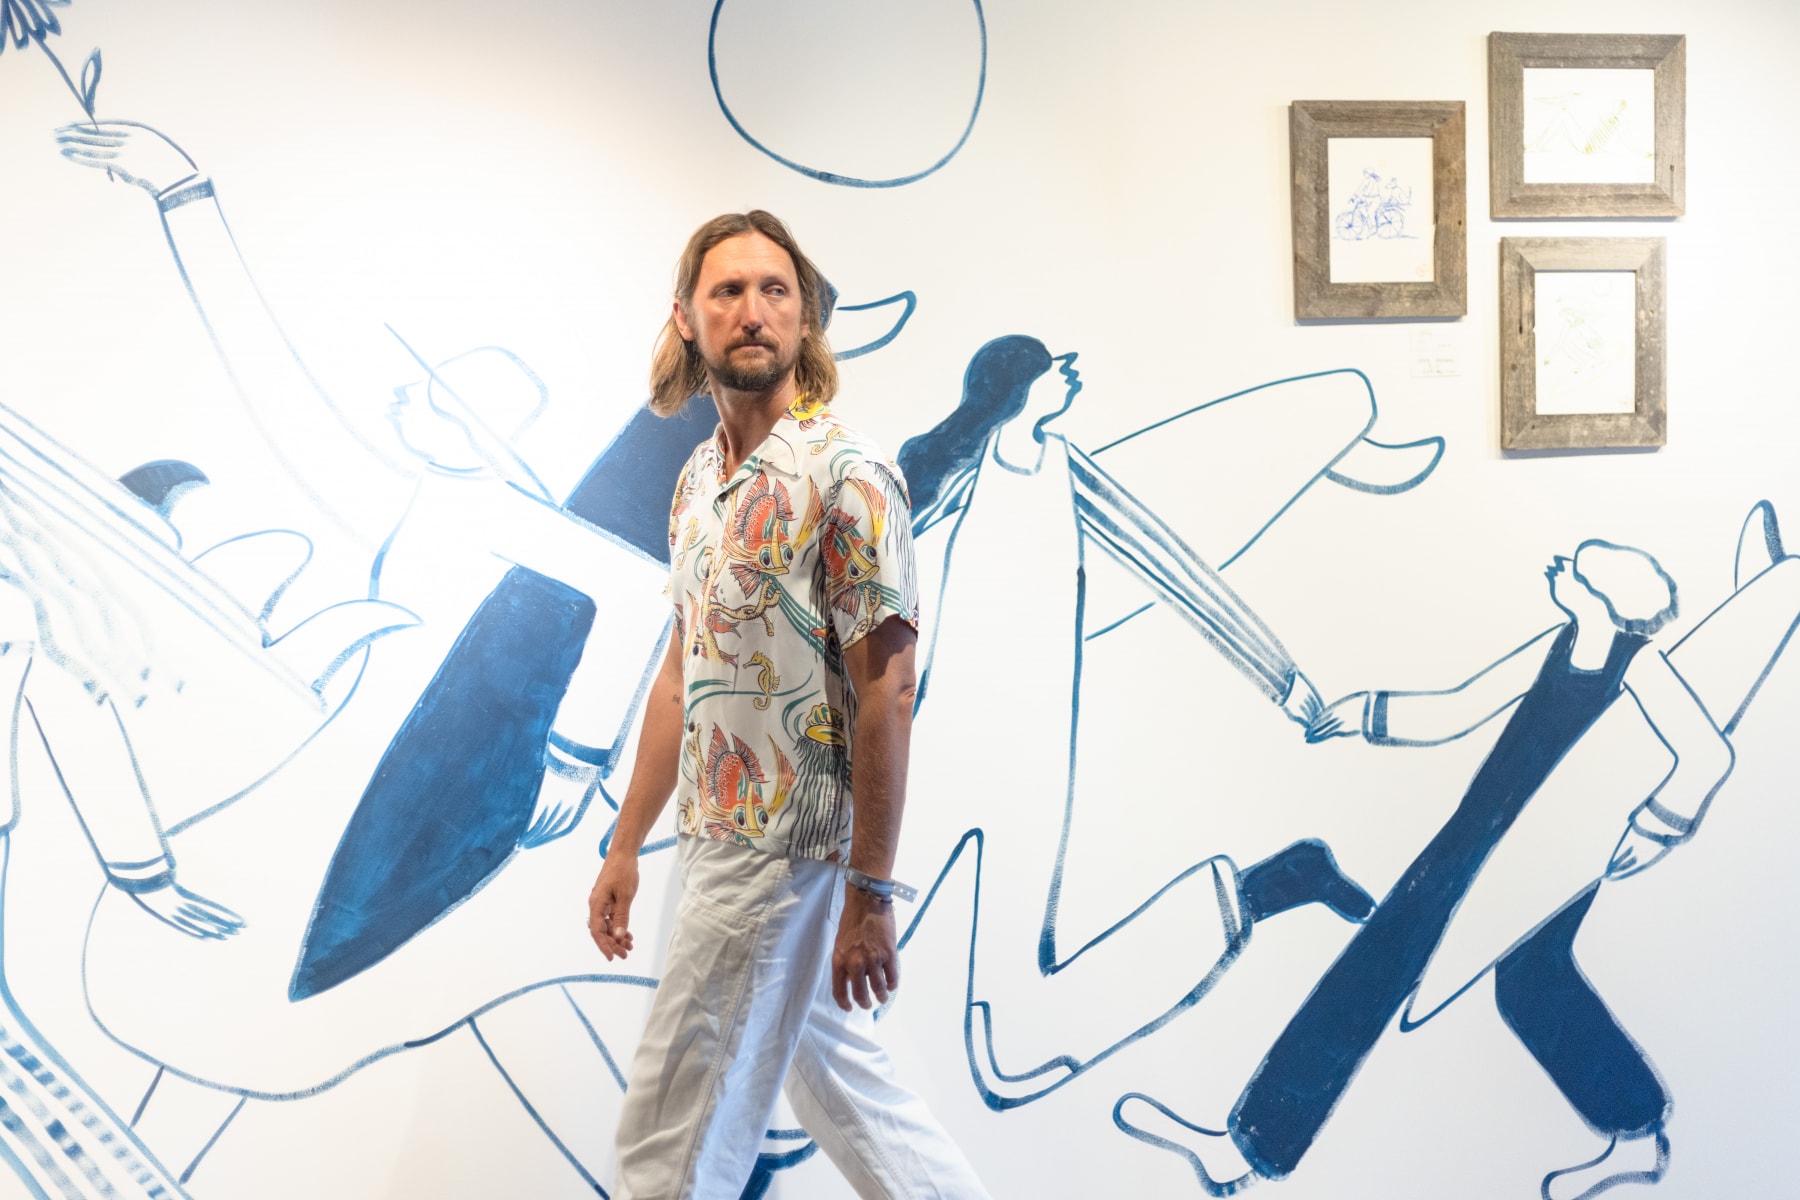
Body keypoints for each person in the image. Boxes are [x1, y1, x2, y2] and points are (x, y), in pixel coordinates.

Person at [1114, 538, 1743, 1198]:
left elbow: (1708, 755)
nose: (1560, 569)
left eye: (1578, 571)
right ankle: (1637, 1130)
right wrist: (1367, 713)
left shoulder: (1642, 665)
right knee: (1526, 983)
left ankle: (1252, 1145)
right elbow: (1460, 706)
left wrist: (1659, 823)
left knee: (1389, 972)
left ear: (1604, 598)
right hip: (1470, 842)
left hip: (1547, 863)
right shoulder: (1557, 645)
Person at [587, 211, 991, 1200]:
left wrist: (871, 891)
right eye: (727, 291)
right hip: (712, 833)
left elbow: (889, 689)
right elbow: (682, 673)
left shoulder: (848, 474)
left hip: (781, 846)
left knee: (671, 1136)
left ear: (805, 319)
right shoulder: (698, 481)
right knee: (849, 1093)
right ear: (686, 318)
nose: (753, 311)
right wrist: (626, 843)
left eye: (775, 290)